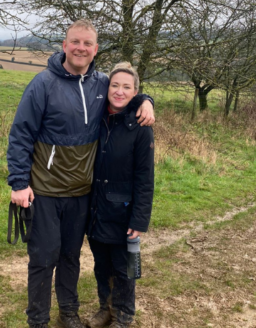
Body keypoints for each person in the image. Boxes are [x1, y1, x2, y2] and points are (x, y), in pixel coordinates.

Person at [5, 19, 155, 328]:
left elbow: (125, 93)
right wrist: (19, 183)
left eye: (87, 44)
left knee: (71, 257)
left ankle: (69, 313)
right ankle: (38, 321)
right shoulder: (42, 84)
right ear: (64, 45)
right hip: (44, 191)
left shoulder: (101, 83)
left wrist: (146, 100)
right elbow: (21, 134)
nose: (81, 48)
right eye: (75, 42)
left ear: (96, 49)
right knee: (44, 259)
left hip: (81, 194)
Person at [84, 62, 154, 328]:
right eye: (115, 85)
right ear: (107, 87)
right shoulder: (96, 117)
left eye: (127, 87)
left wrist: (139, 219)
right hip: (96, 209)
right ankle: (106, 308)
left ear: (135, 91)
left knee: (124, 269)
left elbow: (145, 178)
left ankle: (123, 316)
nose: (119, 91)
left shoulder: (141, 125)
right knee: (101, 265)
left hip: (124, 212)